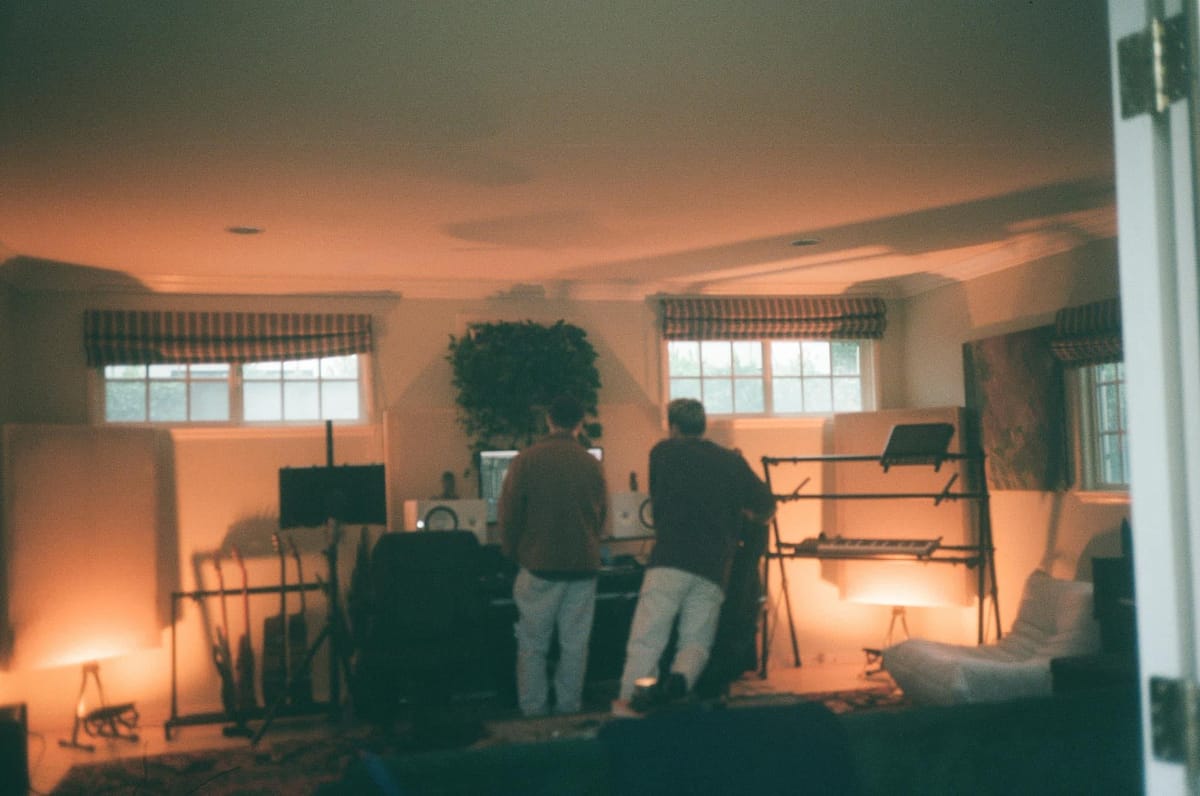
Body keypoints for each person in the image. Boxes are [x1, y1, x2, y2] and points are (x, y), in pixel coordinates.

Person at [613, 398, 775, 714]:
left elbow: (657, 499)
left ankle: (631, 708)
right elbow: (766, 507)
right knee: (696, 644)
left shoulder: (662, 453)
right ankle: (678, 689)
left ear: (672, 426)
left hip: (669, 562)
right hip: (713, 568)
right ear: (703, 425)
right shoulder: (732, 462)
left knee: (647, 641)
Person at [499, 394, 608, 716]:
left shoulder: (527, 460)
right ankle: (569, 707)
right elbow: (601, 517)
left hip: (539, 565)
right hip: (583, 566)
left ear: (549, 420)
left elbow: (509, 515)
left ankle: (534, 710)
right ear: (580, 423)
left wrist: (512, 552)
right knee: (575, 645)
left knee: (533, 645)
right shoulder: (592, 464)